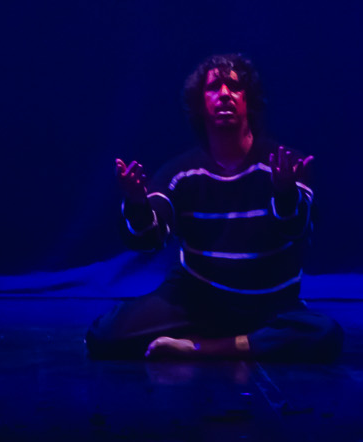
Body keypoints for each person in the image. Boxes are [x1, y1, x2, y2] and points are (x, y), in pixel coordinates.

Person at [85, 54, 343, 361]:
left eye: (234, 87)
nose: (224, 95)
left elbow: (295, 229)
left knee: (323, 334)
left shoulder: (283, 166)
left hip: (268, 306)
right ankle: (242, 344)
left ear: (249, 100)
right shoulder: (180, 173)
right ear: (199, 104)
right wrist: (137, 205)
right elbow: (149, 237)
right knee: (103, 336)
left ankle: (201, 348)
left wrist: (284, 193)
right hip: (197, 301)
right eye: (213, 88)